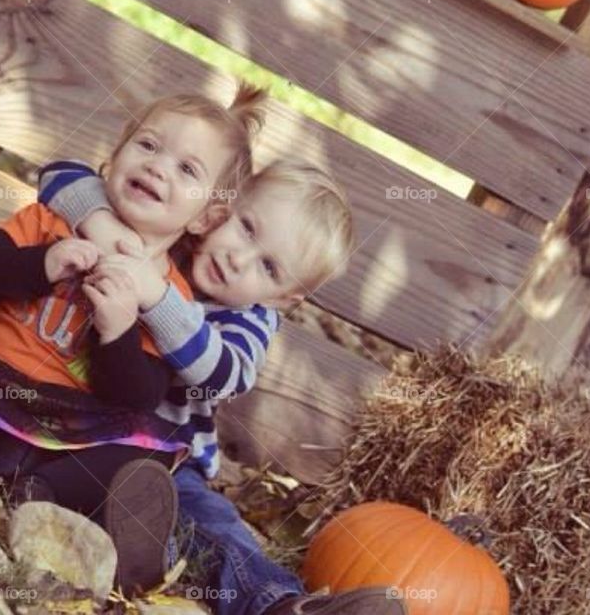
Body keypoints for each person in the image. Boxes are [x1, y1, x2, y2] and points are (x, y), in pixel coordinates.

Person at [0, 84, 261, 594]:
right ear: (118, 150)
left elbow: (137, 398)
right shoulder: (50, 222)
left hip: (69, 428)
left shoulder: (169, 298)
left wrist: (119, 330)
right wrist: (41, 264)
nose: (157, 167)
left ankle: (44, 502)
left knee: (134, 459)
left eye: (187, 169)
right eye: (147, 145)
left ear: (208, 216)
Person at [40, 160, 400, 614]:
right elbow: (61, 174)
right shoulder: (167, 235)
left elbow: (221, 373)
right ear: (222, 206)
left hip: (170, 462)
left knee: (213, 524)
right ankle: (146, 556)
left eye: (269, 268)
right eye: (247, 228)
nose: (237, 258)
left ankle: (276, 604)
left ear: (282, 299)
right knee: (108, 494)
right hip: (78, 431)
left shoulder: (249, 320)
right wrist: (102, 225)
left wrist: (156, 296)